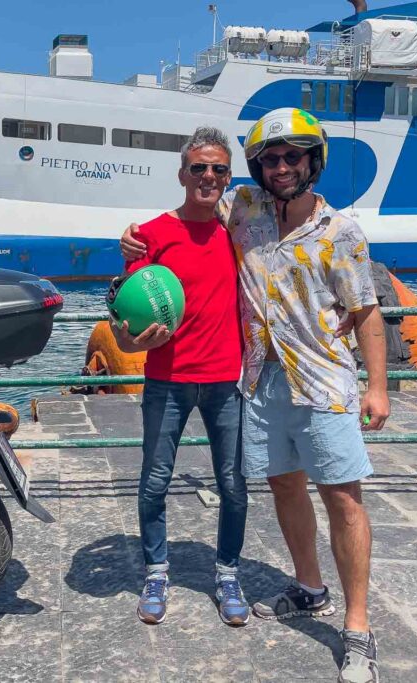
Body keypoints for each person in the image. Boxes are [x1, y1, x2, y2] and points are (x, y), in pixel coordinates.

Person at [120, 108, 389, 683]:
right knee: (285, 487)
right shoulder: (246, 212)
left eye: (293, 157)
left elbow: (366, 310)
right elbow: (170, 239)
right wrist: (129, 244)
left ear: (312, 162)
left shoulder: (342, 232)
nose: (282, 166)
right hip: (263, 383)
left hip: (325, 386)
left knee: (343, 500)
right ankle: (310, 588)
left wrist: (378, 387)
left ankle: (359, 630)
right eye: (271, 158)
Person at [113, 127, 250, 627]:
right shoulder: (149, 234)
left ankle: (228, 573)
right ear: (182, 174)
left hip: (225, 382)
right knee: (154, 481)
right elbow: (125, 317)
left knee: (234, 484)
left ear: (227, 178)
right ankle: (156, 571)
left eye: (217, 169)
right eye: (199, 168)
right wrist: (129, 342)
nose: (208, 176)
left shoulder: (239, 232)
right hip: (166, 381)